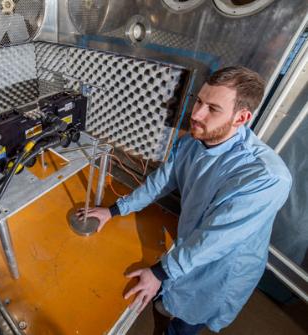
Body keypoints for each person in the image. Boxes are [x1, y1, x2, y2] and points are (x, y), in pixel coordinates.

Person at [76, 66, 292, 334]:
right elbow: (161, 182)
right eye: (199, 101)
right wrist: (115, 209)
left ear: (242, 117)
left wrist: (159, 273)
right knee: (162, 307)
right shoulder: (192, 142)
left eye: (213, 109)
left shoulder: (265, 177)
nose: (196, 114)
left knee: (182, 324)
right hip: (186, 248)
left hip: (217, 273)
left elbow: (215, 239)